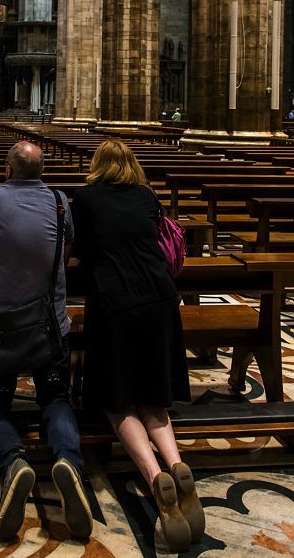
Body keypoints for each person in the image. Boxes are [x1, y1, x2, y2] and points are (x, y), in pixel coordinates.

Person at [71, 139, 204, 553]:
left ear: (96, 166)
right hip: (161, 298)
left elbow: (78, 249)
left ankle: (153, 477)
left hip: (115, 301)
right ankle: (178, 465)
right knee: (154, 398)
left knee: (119, 401)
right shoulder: (148, 196)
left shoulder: (86, 198)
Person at [0, 141, 92, 543]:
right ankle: (68, 464)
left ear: (7, 169)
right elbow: (67, 253)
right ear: (42, 171)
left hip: (4, 324)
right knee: (55, 399)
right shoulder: (60, 201)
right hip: (51, 324)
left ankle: (12, 463)